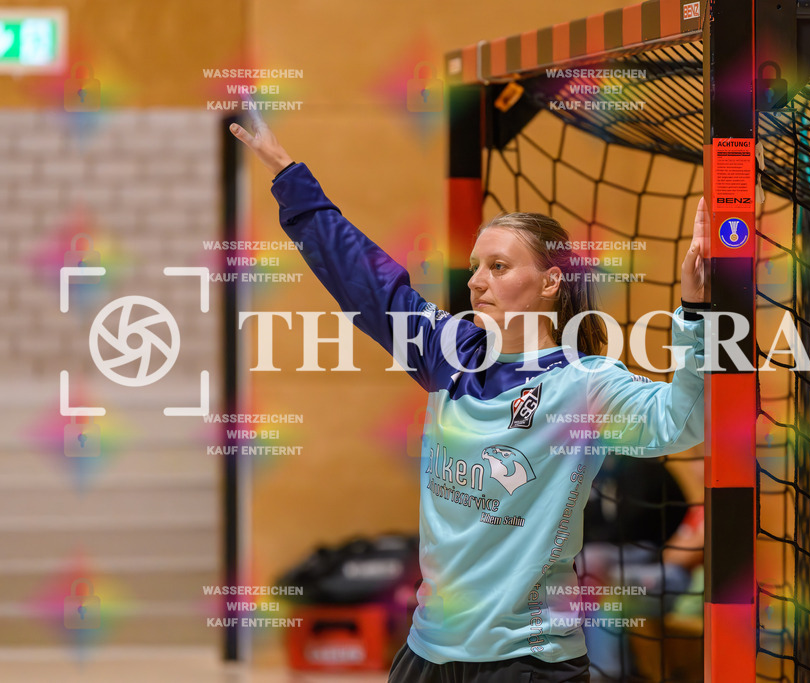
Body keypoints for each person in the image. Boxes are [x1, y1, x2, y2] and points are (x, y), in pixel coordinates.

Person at [230, 108, 708, 683]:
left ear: (552, 281)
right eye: (476, 266)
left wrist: (699, 312)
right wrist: (289, 177)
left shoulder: (583, 383)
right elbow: (361, 277)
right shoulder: (446, 352)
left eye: (499, 266)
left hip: (527, 661)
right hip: (429, 651)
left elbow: (681, 423)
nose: (477, 280)